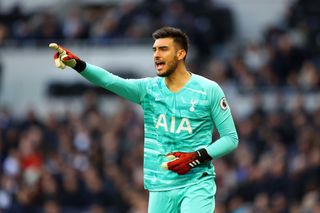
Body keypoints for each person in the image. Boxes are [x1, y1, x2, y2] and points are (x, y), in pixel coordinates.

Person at [49, 26, 238, 213]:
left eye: (163, 49)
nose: (156, 55)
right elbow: (110, 81)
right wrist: (77, 64)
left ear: (180, 54)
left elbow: (230, 139)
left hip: (197, 182)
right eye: (154, 49)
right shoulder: (148, 89)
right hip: (159, 185)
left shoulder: (209, 90)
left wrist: (196, 157)